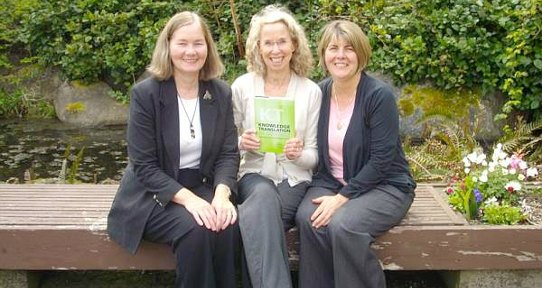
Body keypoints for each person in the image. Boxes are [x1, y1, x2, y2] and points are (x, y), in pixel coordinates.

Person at [107, 11, 239, 288]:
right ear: (168, 46)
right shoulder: (146, 94)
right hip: (152, 194)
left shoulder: (220, 93)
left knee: (228, 225)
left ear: (208, 47)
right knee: (195, 230)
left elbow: (228, 153)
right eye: (182, 43)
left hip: (201, 185)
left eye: (198, 43)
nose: (191, 51)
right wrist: (190, 201)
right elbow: (144, 166)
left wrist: (222, 195)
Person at [295, 20, 417, 288]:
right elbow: (306, 140)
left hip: (385, 185)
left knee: (344, 226)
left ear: (360, 53)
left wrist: (342, 198)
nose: (340, 55)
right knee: (307, 219)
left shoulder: (378, 96)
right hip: (332, 180)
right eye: (333, 48)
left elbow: (382, 160)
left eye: (348, 48)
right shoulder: (320, 92)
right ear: (323, 54)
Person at [231, 5, 321, 288]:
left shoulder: (311, 91)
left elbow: (314, 158)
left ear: (294, 44)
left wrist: (299, 153)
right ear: (258, 47)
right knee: (262, 198)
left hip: (294, 180)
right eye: (268, 42)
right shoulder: (243, 86)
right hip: (253, 175)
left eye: (282, 41)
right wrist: (241, 143)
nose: (275, 49)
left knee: (256, 220)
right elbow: (224, 148)